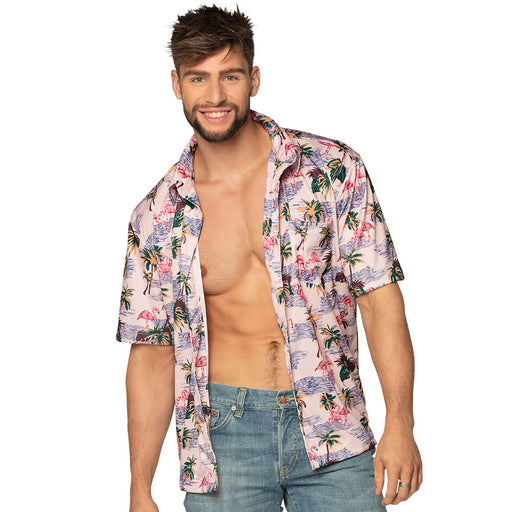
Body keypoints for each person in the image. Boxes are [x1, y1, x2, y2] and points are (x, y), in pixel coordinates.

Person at [117, 5, 422, 512]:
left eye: (230, 76)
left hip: (333, 425)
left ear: (254, 79)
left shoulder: (331, 169)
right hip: (224, 436)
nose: (215, 96)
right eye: (198, 78)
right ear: (176, 85)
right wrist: (139, 488)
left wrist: (401, 424)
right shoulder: (157, 215)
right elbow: (152, 355)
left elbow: (379, 299)